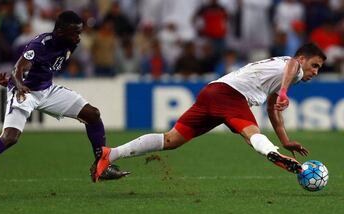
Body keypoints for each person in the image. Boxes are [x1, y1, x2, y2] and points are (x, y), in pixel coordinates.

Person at [0, 11, 129, 199]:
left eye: (80, 32)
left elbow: (42, 68)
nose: (78, 38)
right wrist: (17, 84)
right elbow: (19, 68)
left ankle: (102, 165)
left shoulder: (70, 44)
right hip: (24, 91)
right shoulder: (40, 44)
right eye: (75, 33)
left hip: (46, 90)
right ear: (60, 32)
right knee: (10, 137)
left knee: (92, 114)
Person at [90, 43, 326, 182]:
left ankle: (109, 155)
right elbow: (293, 66)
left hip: (212, 92)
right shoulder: (292, 67)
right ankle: (273, 155)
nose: (315, 71)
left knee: (171, 140)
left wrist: (285, 140)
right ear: (303, 59)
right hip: (230, 95)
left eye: (319, 68)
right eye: (314, 65)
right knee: (250, 133)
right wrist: (285, 92)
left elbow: (272, 110)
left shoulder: (282, 72)